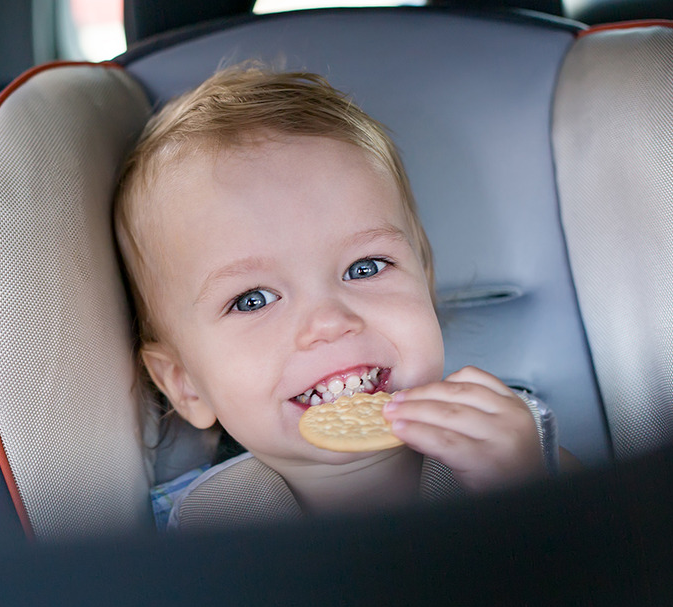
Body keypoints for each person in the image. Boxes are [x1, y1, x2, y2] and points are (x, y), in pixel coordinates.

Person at [114, 65, 568, 531]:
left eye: (364, 268)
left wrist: (531, 497)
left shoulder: (522, 456)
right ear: (185, 383)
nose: (330, 321)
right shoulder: (179, 538)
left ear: (425, 283)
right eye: (253, 300)